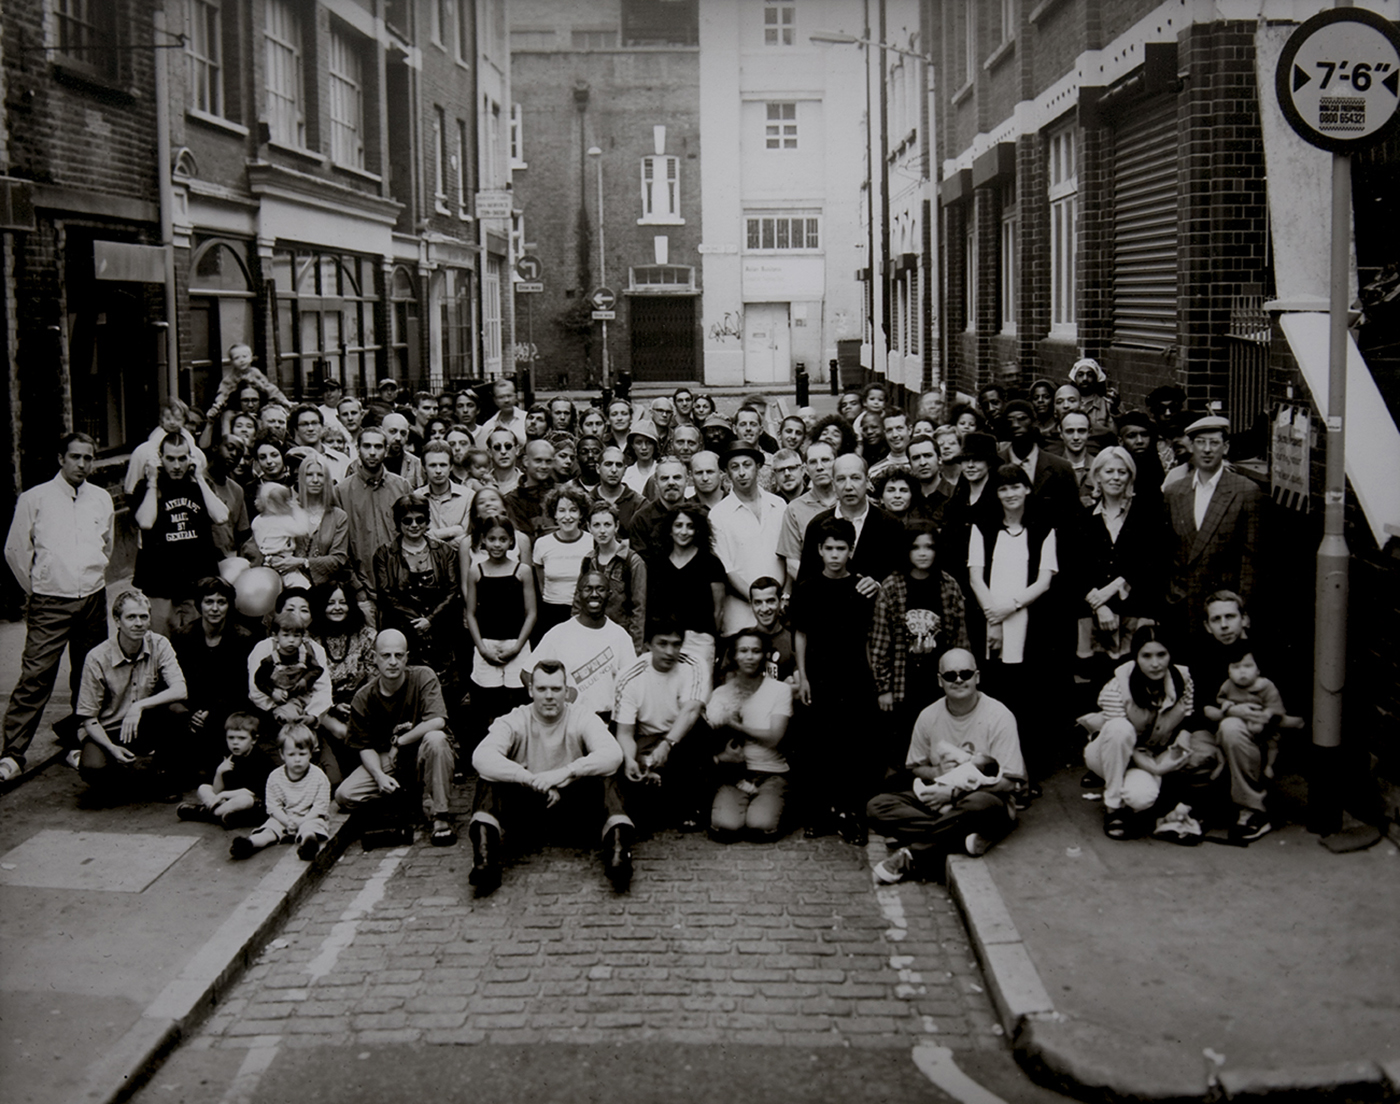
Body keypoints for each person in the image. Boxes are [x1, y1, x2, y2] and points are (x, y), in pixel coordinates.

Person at [1, 433, 115, 780]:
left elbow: (107, 546)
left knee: (89, 674)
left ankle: (79, 742)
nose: (82, 464)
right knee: (36, 676)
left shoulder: (101, 498)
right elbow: (15, 551)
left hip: (92, 598)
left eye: (88, 457)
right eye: (75, 457)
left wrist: (91, 577)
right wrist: (40, 586)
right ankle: (12, 754)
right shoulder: (35, 499)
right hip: (50, 600)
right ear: (61, 458)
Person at [469, 659, 633, 895]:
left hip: (573, 809)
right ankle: (484, 861)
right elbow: (481, 757)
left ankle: (619, 855)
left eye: (556, 689)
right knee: (488, 778)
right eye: (542, 689)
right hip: (527, 809)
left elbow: (613, 754)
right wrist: (528, 778)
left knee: (607, 775)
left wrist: (564, 773)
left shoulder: (582, 716)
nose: (549, 696)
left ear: (566, 691)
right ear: (530, 690)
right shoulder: (514, 719)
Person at [866, 650, 1026, 882]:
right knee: (877, 807)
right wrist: (938, 772)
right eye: (950, 675)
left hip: (983, 801)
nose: (959, 680)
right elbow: (916, 767)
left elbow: (1010, 782)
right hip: (939, 799)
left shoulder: (1000, 716)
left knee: (978, 804)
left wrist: (954, 792)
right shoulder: (928, 716)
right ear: (940, 681)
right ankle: (967, 836)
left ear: (977, 677)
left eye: (966, 674)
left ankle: (913, 855)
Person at [966, 464, 1060, 773]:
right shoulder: (982, 527)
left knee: (1029, 695)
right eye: (1003, 488)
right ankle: (996, 767)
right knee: (996, 692)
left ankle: (1028, 769)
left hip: (1028, 623)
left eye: (1015, 486)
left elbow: (1044, 581)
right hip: (991, 622)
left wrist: (1011, 607)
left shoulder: (1043, 528)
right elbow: (976, 578)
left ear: (1027, 489)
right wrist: (994, 620)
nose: (1010, 494)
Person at [790, 516, 877, 843]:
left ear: (851, 551)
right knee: (819, 746)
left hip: (853, 677)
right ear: (819, 550)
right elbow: (800, 634)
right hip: (819, 676)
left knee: (851, 747)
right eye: (829, 548)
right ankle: (821, 814)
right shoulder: (807, 589)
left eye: (841, 548)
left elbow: (868, 637)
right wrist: (803, 676)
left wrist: (871, 676)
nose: (835, 555)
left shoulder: (862, 589)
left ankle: (850, 814)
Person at [335, 629, 457, 846]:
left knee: (436, 739)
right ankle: (408, 799)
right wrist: (379, 776)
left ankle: (441, 816)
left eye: (398, 655)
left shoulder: (423, 676)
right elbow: (364, 746)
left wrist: (399, 742)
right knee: (345, 795)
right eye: (386, 655)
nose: (393, 662)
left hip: (423, 753)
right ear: (374, 658)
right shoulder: (363, 697)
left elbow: (438, 721)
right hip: (392, 761)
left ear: (406, 657)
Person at [1081, 625, 1197, 840]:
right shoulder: (1117, 686)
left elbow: (1187, 717)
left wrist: (1183, 740)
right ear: (1136, 657)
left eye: (1161, 654)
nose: (1155, 663)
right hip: (1107, 753)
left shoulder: (1183, 679)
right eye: (1146, 656)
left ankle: (1130, 793)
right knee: (1120, 728)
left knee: (1141, 798)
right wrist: (1156, 769)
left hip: (1149, 753)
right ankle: (1113, 807)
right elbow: (1119, 737)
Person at [74, 589, 190, 795]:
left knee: (177, 711)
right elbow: (88, 718)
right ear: (117, 621)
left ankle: (161, 773)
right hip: (107, 729)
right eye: (131, 617)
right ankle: (124, 769)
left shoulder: (160, 644)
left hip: (142, 723)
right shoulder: (97, 657)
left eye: (143, 617)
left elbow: (180, 689)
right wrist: (111, 748)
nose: (138, 623)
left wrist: (138, 706)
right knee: (93, 769)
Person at [1162, 415, 1265, 636]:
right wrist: (1171, 594)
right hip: (1181, 604)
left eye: (1214, 443)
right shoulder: (1174, 492)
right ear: (1191, 446)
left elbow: (1250, 559)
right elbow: (1168, 550)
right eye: (1200, 442)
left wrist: (1241, 609)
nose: (1207, 449)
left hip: (1223, 610)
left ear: (1225, 448)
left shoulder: (1246, 491)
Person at [1067, 447, 1164, 679]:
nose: (1116, 477)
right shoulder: (1082, 518)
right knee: (1094, 682)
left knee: (1135, 681)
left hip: (1135, 614)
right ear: (1097, 476)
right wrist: (1099, 606)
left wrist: (1115, 586)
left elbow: (1153, 563)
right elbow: (1074, 568)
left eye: (1122, 472)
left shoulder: (1148, 516)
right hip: (1091, 618)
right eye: (1109, 471)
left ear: (1130, 477)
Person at [871, 522, 972, 736]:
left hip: (940, 681)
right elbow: (880, 643)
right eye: (915, 547)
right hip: (904, 681)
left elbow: (960, 640)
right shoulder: (892, 586)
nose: (923, 553)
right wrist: (884, 688)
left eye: (929, 547)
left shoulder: (949, 585)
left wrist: (962, 680)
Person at [614, 617, 711, 831]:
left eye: (676, 644)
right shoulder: (629, 676)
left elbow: (691, 710)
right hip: (647, 738)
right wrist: (630, 759)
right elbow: (624, 733)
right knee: (642, 808)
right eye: (663, 643)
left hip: (682, 735)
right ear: (648, 644)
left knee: (699, 732)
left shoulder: (694, 664)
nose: (670, 652)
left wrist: (667, 744)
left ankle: (691, 805)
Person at [133, 433, 229, 636]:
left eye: (182, 458)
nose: (177, 465)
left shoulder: (199, 486)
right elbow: (145, 522)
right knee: (160, 640)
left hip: (197, 579)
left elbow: (221, 516)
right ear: (160, 458)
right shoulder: (145, 487)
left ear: (190, 458)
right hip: (160, 581)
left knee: (196, 641)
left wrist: (200, 478)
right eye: (170, 459)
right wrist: (152, 482)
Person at [706, 628, 794, 840]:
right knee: (725, 826)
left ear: (765, 655)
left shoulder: (780, 690)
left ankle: (774, 804)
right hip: (735, 773)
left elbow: (774, 738)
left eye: (756, 651)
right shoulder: (721, 693)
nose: (749, 657)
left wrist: (736, 726)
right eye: (743, 650)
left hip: (772, 772)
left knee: (761, 826)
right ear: (735, 655)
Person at [464, 515, 536, 743]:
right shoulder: (476, 571)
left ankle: (520, 748)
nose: (497, 544)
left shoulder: (522, 571)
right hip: (487, 645)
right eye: (492, 539)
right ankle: (487, 751)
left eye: (503, 539)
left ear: (511, 541)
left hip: (517, 644)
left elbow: (531, 613)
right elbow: (470, 613)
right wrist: (482, 649)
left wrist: (517, 647)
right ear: (483, 540)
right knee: (487, 702)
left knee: (517, 701)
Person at [170, 576, 255, 769]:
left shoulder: (243, 638)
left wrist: (212, 712)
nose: (215, 608)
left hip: (226, 711)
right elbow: (176, 680)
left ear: (228, 605)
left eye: (221, 602)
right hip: (190, 710)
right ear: (199, 605)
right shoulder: (182, 637)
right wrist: (190, 714)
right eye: (209, 602)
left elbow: (241, 688)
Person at [372, 493, 462, 675]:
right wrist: (416, 622)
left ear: (427, 520)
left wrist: (430, 620)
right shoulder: (384, 554)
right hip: (402, 631)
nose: (414, 525)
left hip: (440, 630)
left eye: (419, 519)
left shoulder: (445, 551)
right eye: (407, 521)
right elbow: (386, 594)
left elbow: (453, 590)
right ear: (398, 522)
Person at [533, 571, 639, 721]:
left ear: (609, 594)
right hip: (569, 721)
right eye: (588, 589)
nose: (594, 594)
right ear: (578, 594)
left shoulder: (620, 636)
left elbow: (632, 685)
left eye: (600, 589)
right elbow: (528, 673)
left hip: (607, 721)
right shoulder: (558, 634)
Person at [332, 427, 412, 621]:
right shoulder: (341, 492)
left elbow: (413, 536)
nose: (373, 452)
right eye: (367, 446)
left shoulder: (402, 486)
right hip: (362, 591)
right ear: (358, 449)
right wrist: (358, 589)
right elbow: (340, 547)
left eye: (378, 446)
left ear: (386, 450)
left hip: (402, 590)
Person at [795, 454, 904, 590]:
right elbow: (805, 579)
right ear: (833, 484)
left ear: (867, 482)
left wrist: (879, 585)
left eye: (855, 478)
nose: (848, 486)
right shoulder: (817, 525)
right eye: (841, 479)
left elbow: (901, 574)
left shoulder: (891, 525)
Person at [711, 443, 787, 637]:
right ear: (727, 473)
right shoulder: (718, 514)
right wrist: (760, 602)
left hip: (780, 611)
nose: (742, 472)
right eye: (734, 467)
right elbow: (726, 569)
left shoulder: (778, 505)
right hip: (740, 616)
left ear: (758, 467)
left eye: (747, 465)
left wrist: (779, 600)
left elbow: (788, 555)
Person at [307, 581, 377, 783]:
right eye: (330, 603)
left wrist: (358, 704)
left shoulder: (366, 635)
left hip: (360, 702)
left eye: (343, 602)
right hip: (323, 706)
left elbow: (374, 677)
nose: (337, 608)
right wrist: (332, 706)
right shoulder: (310, 640)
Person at [230, 722, 332, 861]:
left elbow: (320, 807)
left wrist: (302, 821)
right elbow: (273, 807)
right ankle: (249, 844)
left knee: (310, 828)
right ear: (282, 754)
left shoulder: (319, 777)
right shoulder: (275, 777)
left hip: (309, 817)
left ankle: (308, 845)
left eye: (302, 754)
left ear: (310, 753)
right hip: (283, 817)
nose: (297, 759)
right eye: (291, 754)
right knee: (270, 830)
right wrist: (287, 821)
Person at [1209, 640, 1297, 780]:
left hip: (1264, 727)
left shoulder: (1266, 685)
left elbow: (1275, 706)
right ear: (1229, 671)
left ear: (1258, 670)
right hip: (1238, 723)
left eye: (1248, 666)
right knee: (1221, 738)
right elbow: (1220, 699)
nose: (1242, 671)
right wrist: (1226, 704)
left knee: (1272, 744)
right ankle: (1222, 763)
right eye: (1236, 667)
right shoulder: (1228, 685)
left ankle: (1269, 765)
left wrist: (1266, 714)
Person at [247, 605, 332, 738]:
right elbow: (258, 680)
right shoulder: (270, 659)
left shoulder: (306, 655)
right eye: (286, 635)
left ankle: (307, 737)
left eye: (296, 636)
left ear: (303, 637)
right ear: (276, 636)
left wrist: (305, 680)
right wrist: (272, 692)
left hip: (302, 697)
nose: (291, 640)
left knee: (304, 718)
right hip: (279, 700)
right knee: (289, 718)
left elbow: (318, 670)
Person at [177, 712, 275, 827]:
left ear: (254, 740)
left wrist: (223, 795)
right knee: (203, 788)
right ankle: (220, 814)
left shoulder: (260, 759)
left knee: (245, 800)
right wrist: (219, 772)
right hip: (227, 800)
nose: (235, 742)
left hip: (253, 801)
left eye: (242, 738)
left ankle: (204, 813)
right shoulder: (228, 756)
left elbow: (251, 791)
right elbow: (217, 790)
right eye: (231, 738)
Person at [575, 501, 647, 654]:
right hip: (591, 637)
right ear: (589, 528)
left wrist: (635, 650)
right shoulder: (588, 561)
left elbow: (639, 610)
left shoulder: (632, 562)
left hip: (621, 638)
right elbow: (578, 602)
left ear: (617, 526)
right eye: (596, 525)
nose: (602, 531)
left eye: (607, 524)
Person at [998, 400, 1080, 522]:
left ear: (1034, 422)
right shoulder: (994, 465)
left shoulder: (1061, 468)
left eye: (1022, 419)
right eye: (1010, 421)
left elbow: (1073, 515)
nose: (1015, 425)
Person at [531, 486, 595, 640]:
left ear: (581, 514)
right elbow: (541, 583)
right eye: (561, 510)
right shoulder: (542, 544)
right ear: (554, 513)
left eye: (573, 510)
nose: (567, 516)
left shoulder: (592, 542)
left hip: (585, 612)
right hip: (551, 614)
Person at [776, 441, 838, 582]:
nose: (819, 467)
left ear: (836, 463)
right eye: (813, 462)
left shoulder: (849, 501)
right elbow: (792, 564)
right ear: (805, 469)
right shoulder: (795, 509)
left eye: (825, 460)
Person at [204, 342, 291, 425]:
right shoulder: (230, 378)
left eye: (244, 357)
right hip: (236, 408)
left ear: (251, 358)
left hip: (256, 406)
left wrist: (283, 400)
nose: (241, 360)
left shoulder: (255, 373)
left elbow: (269, 388)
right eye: (237, 358)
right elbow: (223, 392)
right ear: (231, 362)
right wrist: (218, 403)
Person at [250, 483, 314, 588]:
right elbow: (303, 529)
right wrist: (296, 509)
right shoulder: (283, 521)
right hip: (284, 561)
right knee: (303, 586)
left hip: (266, 560)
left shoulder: (257, 521)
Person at [627, 458, 689, 561]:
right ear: (656, 483)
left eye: (677, 477)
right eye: (664, 478)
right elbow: (641, 563)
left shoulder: (699, 516)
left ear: (687, 480)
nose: (671, 483)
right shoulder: (641, 520)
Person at [416, 440, 472, 549]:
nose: (438, 471)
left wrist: (432, 536)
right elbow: (415, 538)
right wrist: (455, 530)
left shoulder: (468, 497)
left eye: (443, 465)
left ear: (451, 467)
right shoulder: (416, 497)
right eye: (432, 465)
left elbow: (466, 538)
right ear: (424, 468)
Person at [504, 439, 556, 540]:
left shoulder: (563, 493)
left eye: (548, 461)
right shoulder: (513, 500)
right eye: (538, 461)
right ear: (526, 461)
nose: (544, 466)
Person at [592, 446, 645, 531]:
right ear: (598, 468)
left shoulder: (639, 504)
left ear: (625, 470)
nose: (614, 470)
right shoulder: (586, 501)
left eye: (619, 465)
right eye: (608, 464)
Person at [476, 378, 527, 447]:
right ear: (495, 400)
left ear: (516, 397)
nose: (506, 400)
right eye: (501, 397)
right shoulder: (489, 426)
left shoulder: (527, 419)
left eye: (509, 396)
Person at [379, 413, 425, 488]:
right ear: (382, 431)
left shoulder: (415, 463)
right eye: (393, 431)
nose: (398, 438)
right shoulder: (373, 460)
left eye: (403, 433)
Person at [869, 409, 912, 478]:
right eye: (889, 430)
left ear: (909, 430)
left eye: (899, 428)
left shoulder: (920, 465)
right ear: (885, 433)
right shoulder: (875, 471)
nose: (894, 435)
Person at [622, 419, 660, 496]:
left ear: (655, 445)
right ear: (632, 445)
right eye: (638, 442)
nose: (644, 447)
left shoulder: (661, 470)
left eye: (649, 443)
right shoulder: (626, 473)